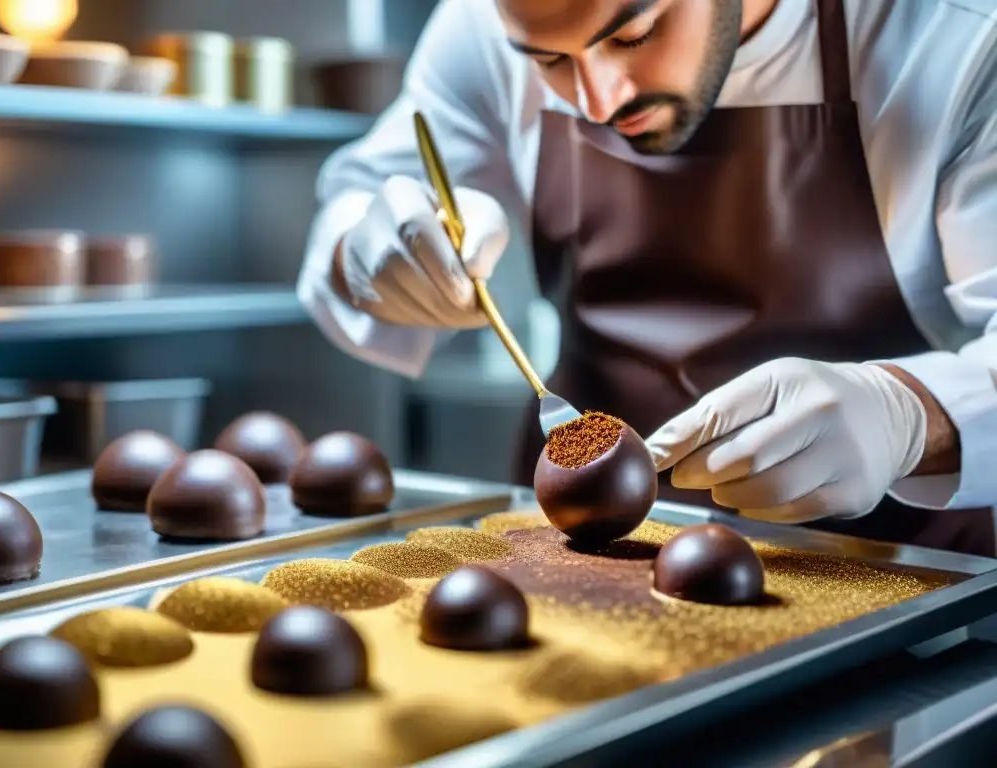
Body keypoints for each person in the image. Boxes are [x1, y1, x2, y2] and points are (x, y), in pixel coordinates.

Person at [297, 0, 997, 557]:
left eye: (634, 33)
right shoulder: (483, 24)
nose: (598, 99)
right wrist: (366, 247)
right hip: (578, 555)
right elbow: (364, 194)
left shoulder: (952, 40)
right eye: (548, 60)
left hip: (891, 574)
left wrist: (911, 416)